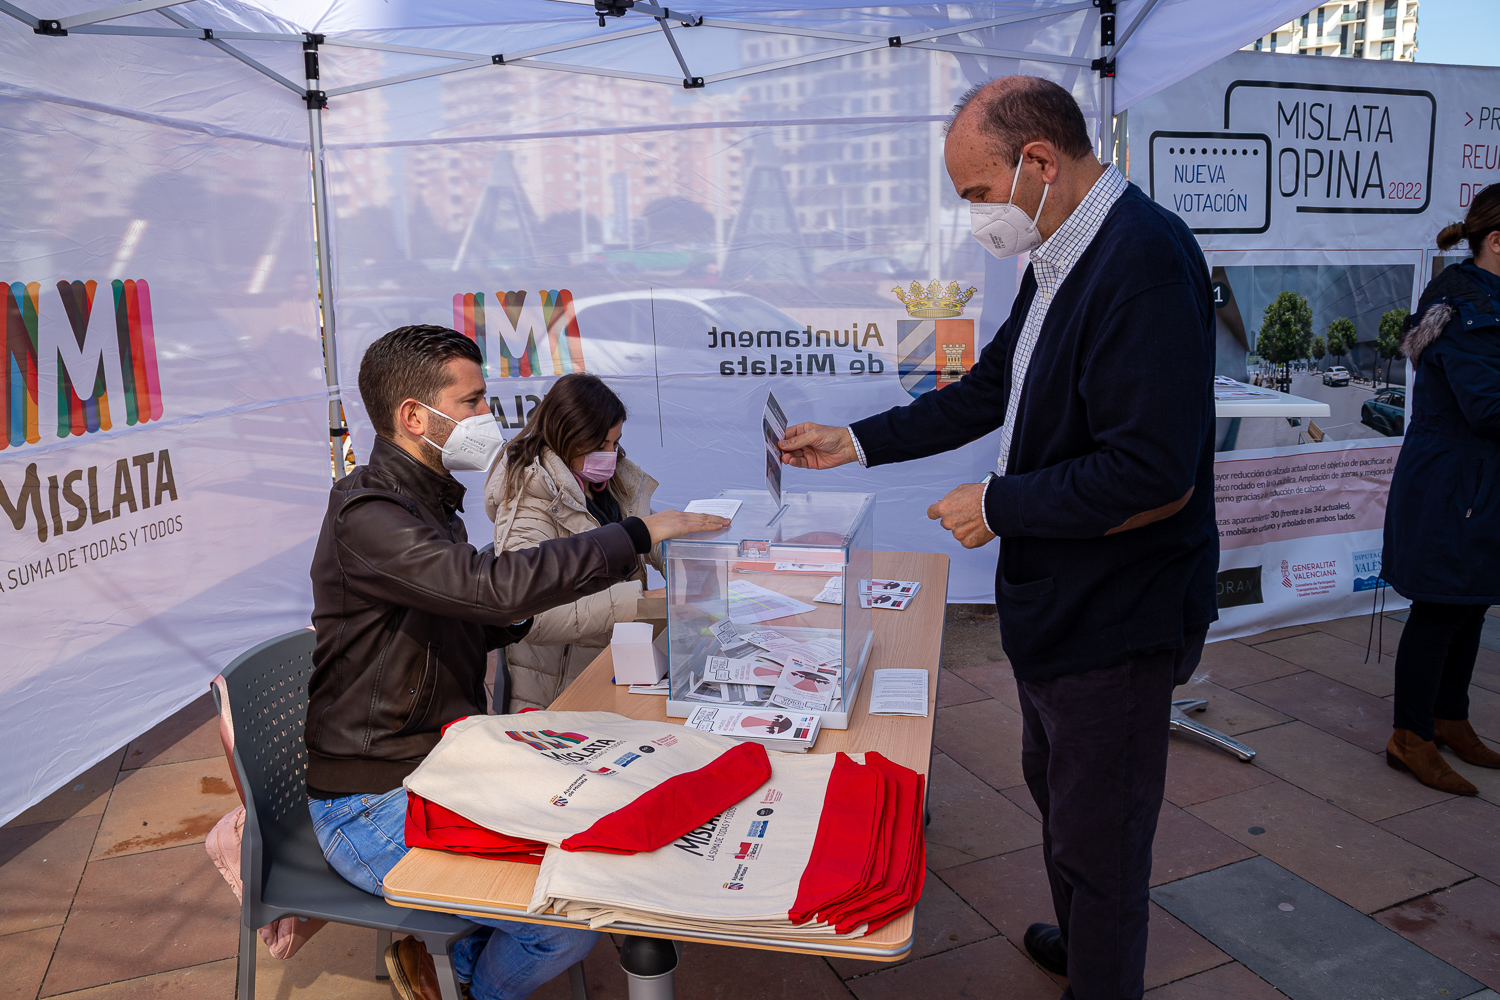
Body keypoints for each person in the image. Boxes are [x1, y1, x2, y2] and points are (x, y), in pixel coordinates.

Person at [780, 76, 1216, 1000]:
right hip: (1056, 601)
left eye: (977, 194)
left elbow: (1154, 473)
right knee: (1060, 797)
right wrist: (855, 440)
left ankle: (1104, 972)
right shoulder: (1061, 250)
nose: (976, 217)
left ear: (1039, 162)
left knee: (1102, 831)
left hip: (1118, 612)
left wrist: (1000, 504)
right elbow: (990, 390)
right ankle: (1083, 932)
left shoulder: (1140, 259)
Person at [305, 325, 728, 1000]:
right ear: (414, 417)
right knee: (568, 920)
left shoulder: (427, 503)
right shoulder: (370, 514)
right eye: (470, 403)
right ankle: (470, 988)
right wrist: (638, 535)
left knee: (609, 813)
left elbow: (482, 611)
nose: (486, 419)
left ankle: (456, 963)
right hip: (373, 798)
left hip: (442, 762)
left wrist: (557, 606)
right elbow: (488, 588)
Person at [1382, 183, 1500, 794]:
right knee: (1440, 608)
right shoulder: (1465, 308)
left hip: (1477, 483)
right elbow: (1487, 407)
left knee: (1472, 600)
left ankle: (1450, 718)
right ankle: (1409, 736)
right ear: (1497, 242)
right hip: (1454, 485)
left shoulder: (1486, 299)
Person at [483, 373, 665, 710]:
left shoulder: (606, 483)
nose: (611, 455)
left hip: (611, 662)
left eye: (615, 442)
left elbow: (641, 532)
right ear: (569, 436)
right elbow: (532, 613)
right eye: (600, 445)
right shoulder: (529, 496)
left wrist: (679, 554)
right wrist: (645, 599)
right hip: (559, 690)